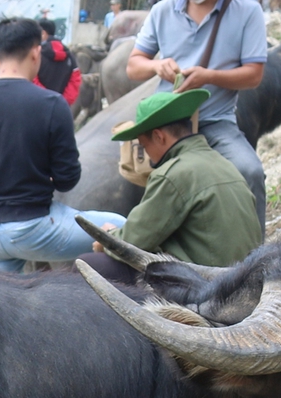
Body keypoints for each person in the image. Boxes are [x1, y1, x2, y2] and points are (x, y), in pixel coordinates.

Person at [0, 17, 125, 272]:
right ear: (36, 54)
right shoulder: (52, 104)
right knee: (121, 226)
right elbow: (67, 178)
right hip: (34, 230)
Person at [128, 0, 271, 223]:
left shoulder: (247, 12)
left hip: (215, 122)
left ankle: (257, 258)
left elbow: (254, 75)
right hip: (167, 125)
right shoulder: (162, 11)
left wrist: (209, 76)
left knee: (251, 172)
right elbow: (134, 66)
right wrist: (157, 66)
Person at [106, 88, 264, 267]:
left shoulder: (172, 175)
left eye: (144, 145)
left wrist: (109, 236)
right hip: (245, 276)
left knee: (97, 263)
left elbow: (131, 242)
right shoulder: (222, 163)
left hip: (210, 285)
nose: (147, 154)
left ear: (159, 136)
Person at [36, 18, 84, 105]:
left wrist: (45, 98)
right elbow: (75, 80)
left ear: (43, 33)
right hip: (61, 107)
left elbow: (30, 78)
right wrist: (62, 102)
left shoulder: (36, 54)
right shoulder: (69, 56)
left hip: (38, 105)